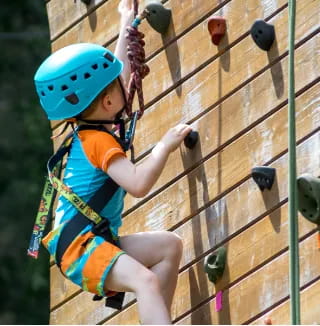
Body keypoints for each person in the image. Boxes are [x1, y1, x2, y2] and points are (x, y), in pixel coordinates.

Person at [34, 0, 190, 323]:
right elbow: (138, 184)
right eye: (119, 84)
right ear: (107, 101)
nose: (126, 79)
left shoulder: (92, 123)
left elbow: (113, 73)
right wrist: (164, 146)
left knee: (169, 248)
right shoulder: (98, 141)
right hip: (80, 247)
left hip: (89, 241)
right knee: (144, 281)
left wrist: (126, 25)